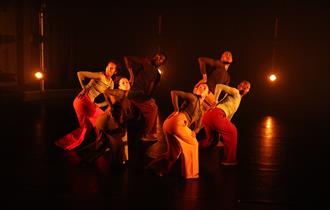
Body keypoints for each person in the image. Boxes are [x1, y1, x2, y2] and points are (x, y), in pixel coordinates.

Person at [146, 83, 209, 179]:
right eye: (199, 86)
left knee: (173, 154)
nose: (201, 87)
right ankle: (191, 174)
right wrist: (176, 109)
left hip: (171, 124)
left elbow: (199, 126)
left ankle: (153, 167)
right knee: (194, 144)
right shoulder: (193, 97)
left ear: (207, 94)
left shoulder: (201, 111)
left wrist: (195, 131)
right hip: (177, 121)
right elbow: (174, 92)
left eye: (204, 88)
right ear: (195, 90)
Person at [55, 60, 118, 151]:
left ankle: (65, 143)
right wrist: (84, 87)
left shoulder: (111, 83)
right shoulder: (100, 75)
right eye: (108, 67)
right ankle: (101, 143)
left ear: (115, 72)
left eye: (111, 68)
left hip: (88, 103)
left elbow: (108, 100)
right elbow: (80, 74)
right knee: (100, 120)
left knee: (88, 127)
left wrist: (99, 104)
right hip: (82, 100)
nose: (108, 69)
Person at [199, 81, 251, 166]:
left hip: (208, 116)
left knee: (212, 141)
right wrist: (215, 100)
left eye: (247, 87)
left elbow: (228, 118)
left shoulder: (238, 100)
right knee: (233, 131)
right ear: (238, 86)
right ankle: (229, 161)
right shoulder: (235, 92)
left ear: (248, 91)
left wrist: (222, 129)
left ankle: (195, 147)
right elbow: (219, 85)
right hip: (216, 114)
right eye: (242, 86)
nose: (244, 88)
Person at [123, 52, 167, 141]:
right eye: (157, 56)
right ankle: (147, 134)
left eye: (161, 58)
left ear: (162, 62)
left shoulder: (157, 75)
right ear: (155, 56)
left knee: (153, 104)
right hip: (135, 92)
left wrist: (149, 98)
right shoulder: (146, 62)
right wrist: (131, 75)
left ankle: (148, 133)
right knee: (153, 109)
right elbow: (127, 58)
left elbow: (152, 87)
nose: (158, 58)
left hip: (142, 95)